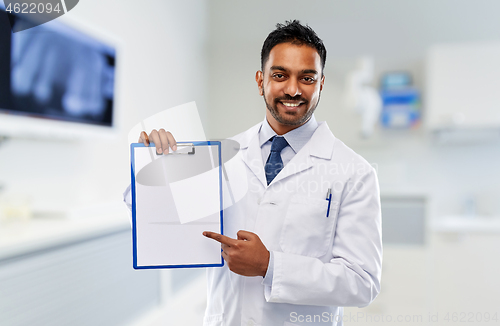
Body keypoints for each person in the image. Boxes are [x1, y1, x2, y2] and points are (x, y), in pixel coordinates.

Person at [131, 20, 382, 326]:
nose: (292, 89)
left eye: (306, 77)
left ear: (321, 84)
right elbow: (160, 225)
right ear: (260, 80)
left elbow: (362, 282)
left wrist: (270, 266)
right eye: (280, 75)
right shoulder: (222, 157)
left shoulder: (354, 172)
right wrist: (153, 168)